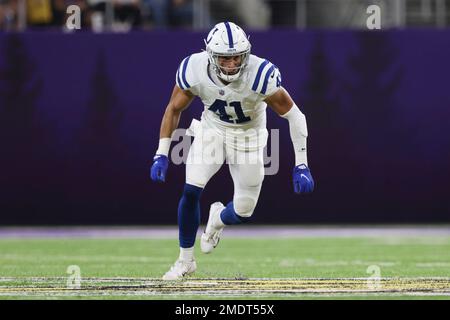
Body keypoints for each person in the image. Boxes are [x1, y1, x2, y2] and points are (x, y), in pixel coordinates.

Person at [150, 21, 315, 280]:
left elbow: (295, 116)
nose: (231, 64)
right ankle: (185, 261)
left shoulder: (260, 74)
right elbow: (174, 108)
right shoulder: (194, 68)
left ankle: (216, 220)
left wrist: (301, 163)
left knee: (243, 211)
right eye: (225, 59)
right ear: (211, 56)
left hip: (250, 140)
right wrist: (161, 153)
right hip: (212, 132)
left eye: (237, 57)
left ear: (246, 54)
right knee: (191, 189)